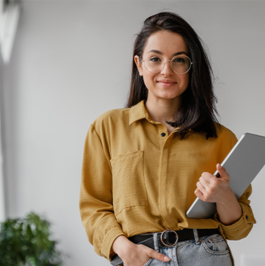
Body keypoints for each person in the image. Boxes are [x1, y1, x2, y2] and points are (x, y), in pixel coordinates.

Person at [79, 12, 255, 266]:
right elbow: (93, 207)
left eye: (179, 60)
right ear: (139, 65)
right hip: (139, 257)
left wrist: (225, 198)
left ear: (191, 67)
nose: (166, 70)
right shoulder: (106, 128)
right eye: (155, 59)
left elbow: (239, 230)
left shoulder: (221, 138)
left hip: (206, 254)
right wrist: (123, 248)